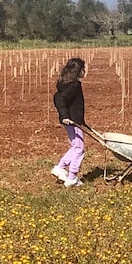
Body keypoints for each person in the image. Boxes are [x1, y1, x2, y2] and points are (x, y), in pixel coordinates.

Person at [51, 57, 87, 188]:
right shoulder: (74, 85)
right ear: (78, 71)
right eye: (84, 69)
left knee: (76, 146)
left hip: (72, 120)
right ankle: (72, 177)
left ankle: (60, 168)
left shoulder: (64, 83)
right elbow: (59, 99)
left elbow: (58, 97)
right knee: (79, 149)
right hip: (72, 120)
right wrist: (65, 115)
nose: (85, 72)